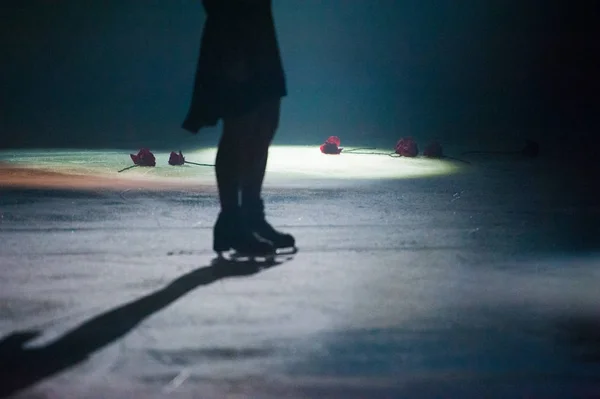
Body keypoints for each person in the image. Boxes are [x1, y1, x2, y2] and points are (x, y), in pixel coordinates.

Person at [182, 0, 295, 256]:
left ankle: (251, 215)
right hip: (232, 22)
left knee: (265, 120)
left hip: (257, 21)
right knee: (240, 123)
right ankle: (232, 219)